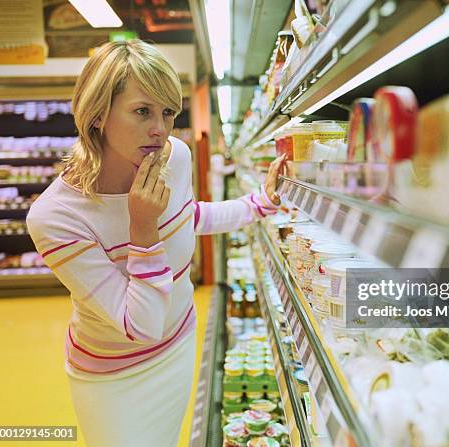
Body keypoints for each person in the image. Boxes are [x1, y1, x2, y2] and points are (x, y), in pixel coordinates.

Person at [26, 40, 287, 447]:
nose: (160, 129)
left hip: (180, 343)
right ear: (97, 115)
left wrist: (259, 204)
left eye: (168, 112)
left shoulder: (174, 157)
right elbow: (141, 324)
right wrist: (142, 228)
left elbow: (188, 219)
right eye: (142, 111)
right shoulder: (57, 217)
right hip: (114, 376)